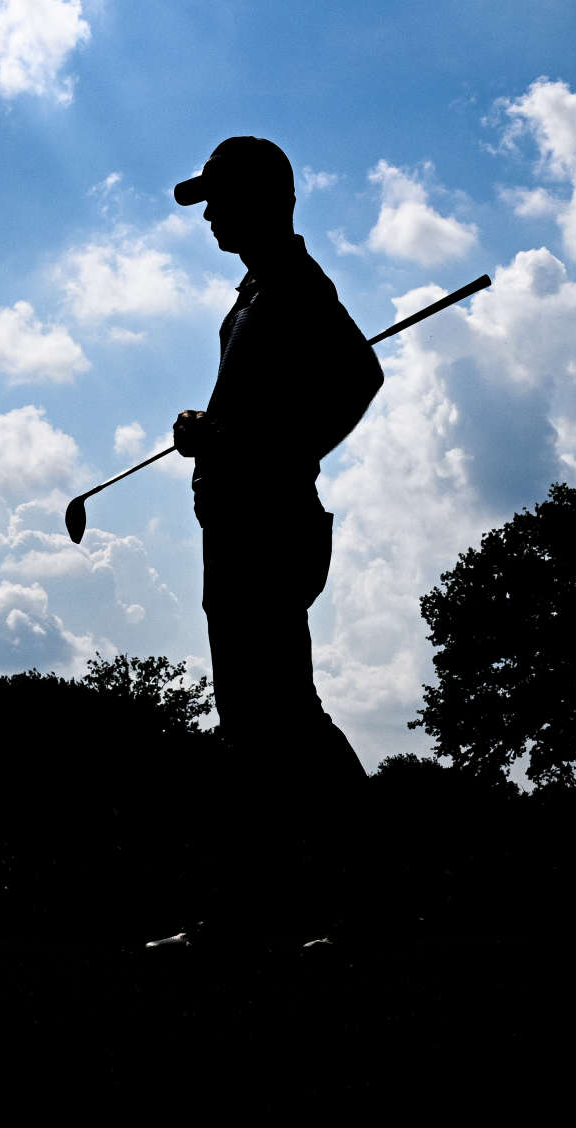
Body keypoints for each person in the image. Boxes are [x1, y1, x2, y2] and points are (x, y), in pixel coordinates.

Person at [149, 135, 384, 948]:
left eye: (219, 198)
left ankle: (355, 905)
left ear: (263, 200)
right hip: (242, 525)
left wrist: (274, 451)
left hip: (268, 526)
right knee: (258, 724)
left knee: (280, 719)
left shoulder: (291, 281)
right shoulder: (256, 292)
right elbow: (257, 416)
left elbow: (359, 377)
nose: (209, 214)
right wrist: (209, 434)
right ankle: (261, 910)